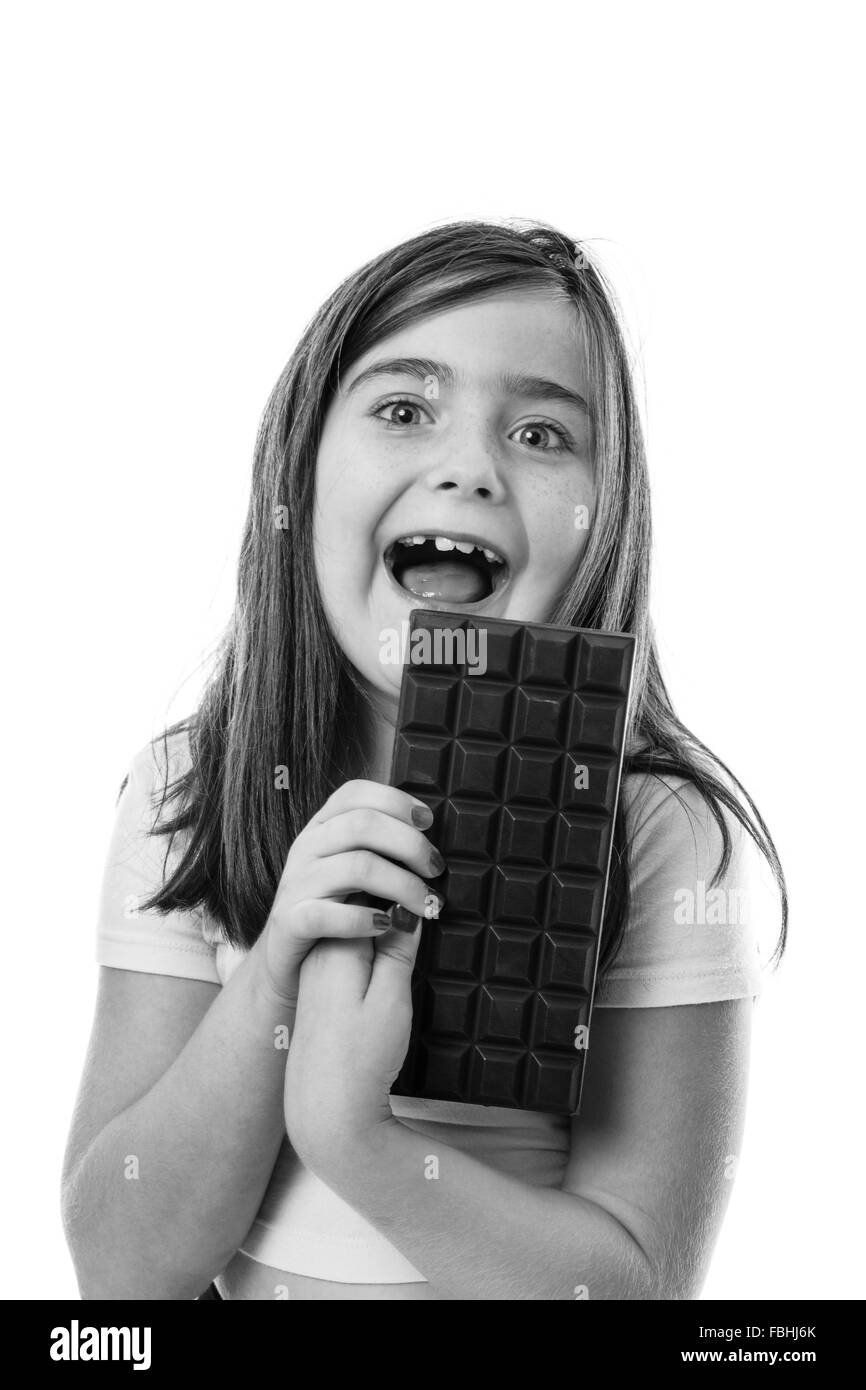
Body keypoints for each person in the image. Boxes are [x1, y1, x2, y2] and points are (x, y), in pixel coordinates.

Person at [61, 220, 786, 1300]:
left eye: (542, 434)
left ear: (608, 518)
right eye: (403, 410)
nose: (469, 470)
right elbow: (122, 1275)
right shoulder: (190, 791)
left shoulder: (663, 834)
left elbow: (634, 1291)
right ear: (298, 479)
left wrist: (353, 1133)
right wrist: (270, 977)